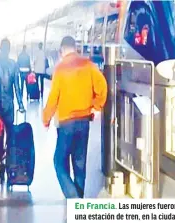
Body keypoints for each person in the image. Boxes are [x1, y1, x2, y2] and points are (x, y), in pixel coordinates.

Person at [42, 36, 107, 198]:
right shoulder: (88, 65)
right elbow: (102, 86)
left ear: (62, 50)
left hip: (66, 123)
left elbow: (53, 98)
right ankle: (79, 203)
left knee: (59, 163)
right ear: (75, 48)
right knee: (79, 164)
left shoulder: (61, 68)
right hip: (84, 122)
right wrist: (97, 106)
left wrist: (46, 118)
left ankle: (74, 200)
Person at [0, 38, 25, 182]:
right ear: (8, 49)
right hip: (9, 105)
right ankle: (8, 163)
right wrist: (20, 104)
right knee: (10, 134)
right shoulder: (13, 64)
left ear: (0, 48)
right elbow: (17, 87)